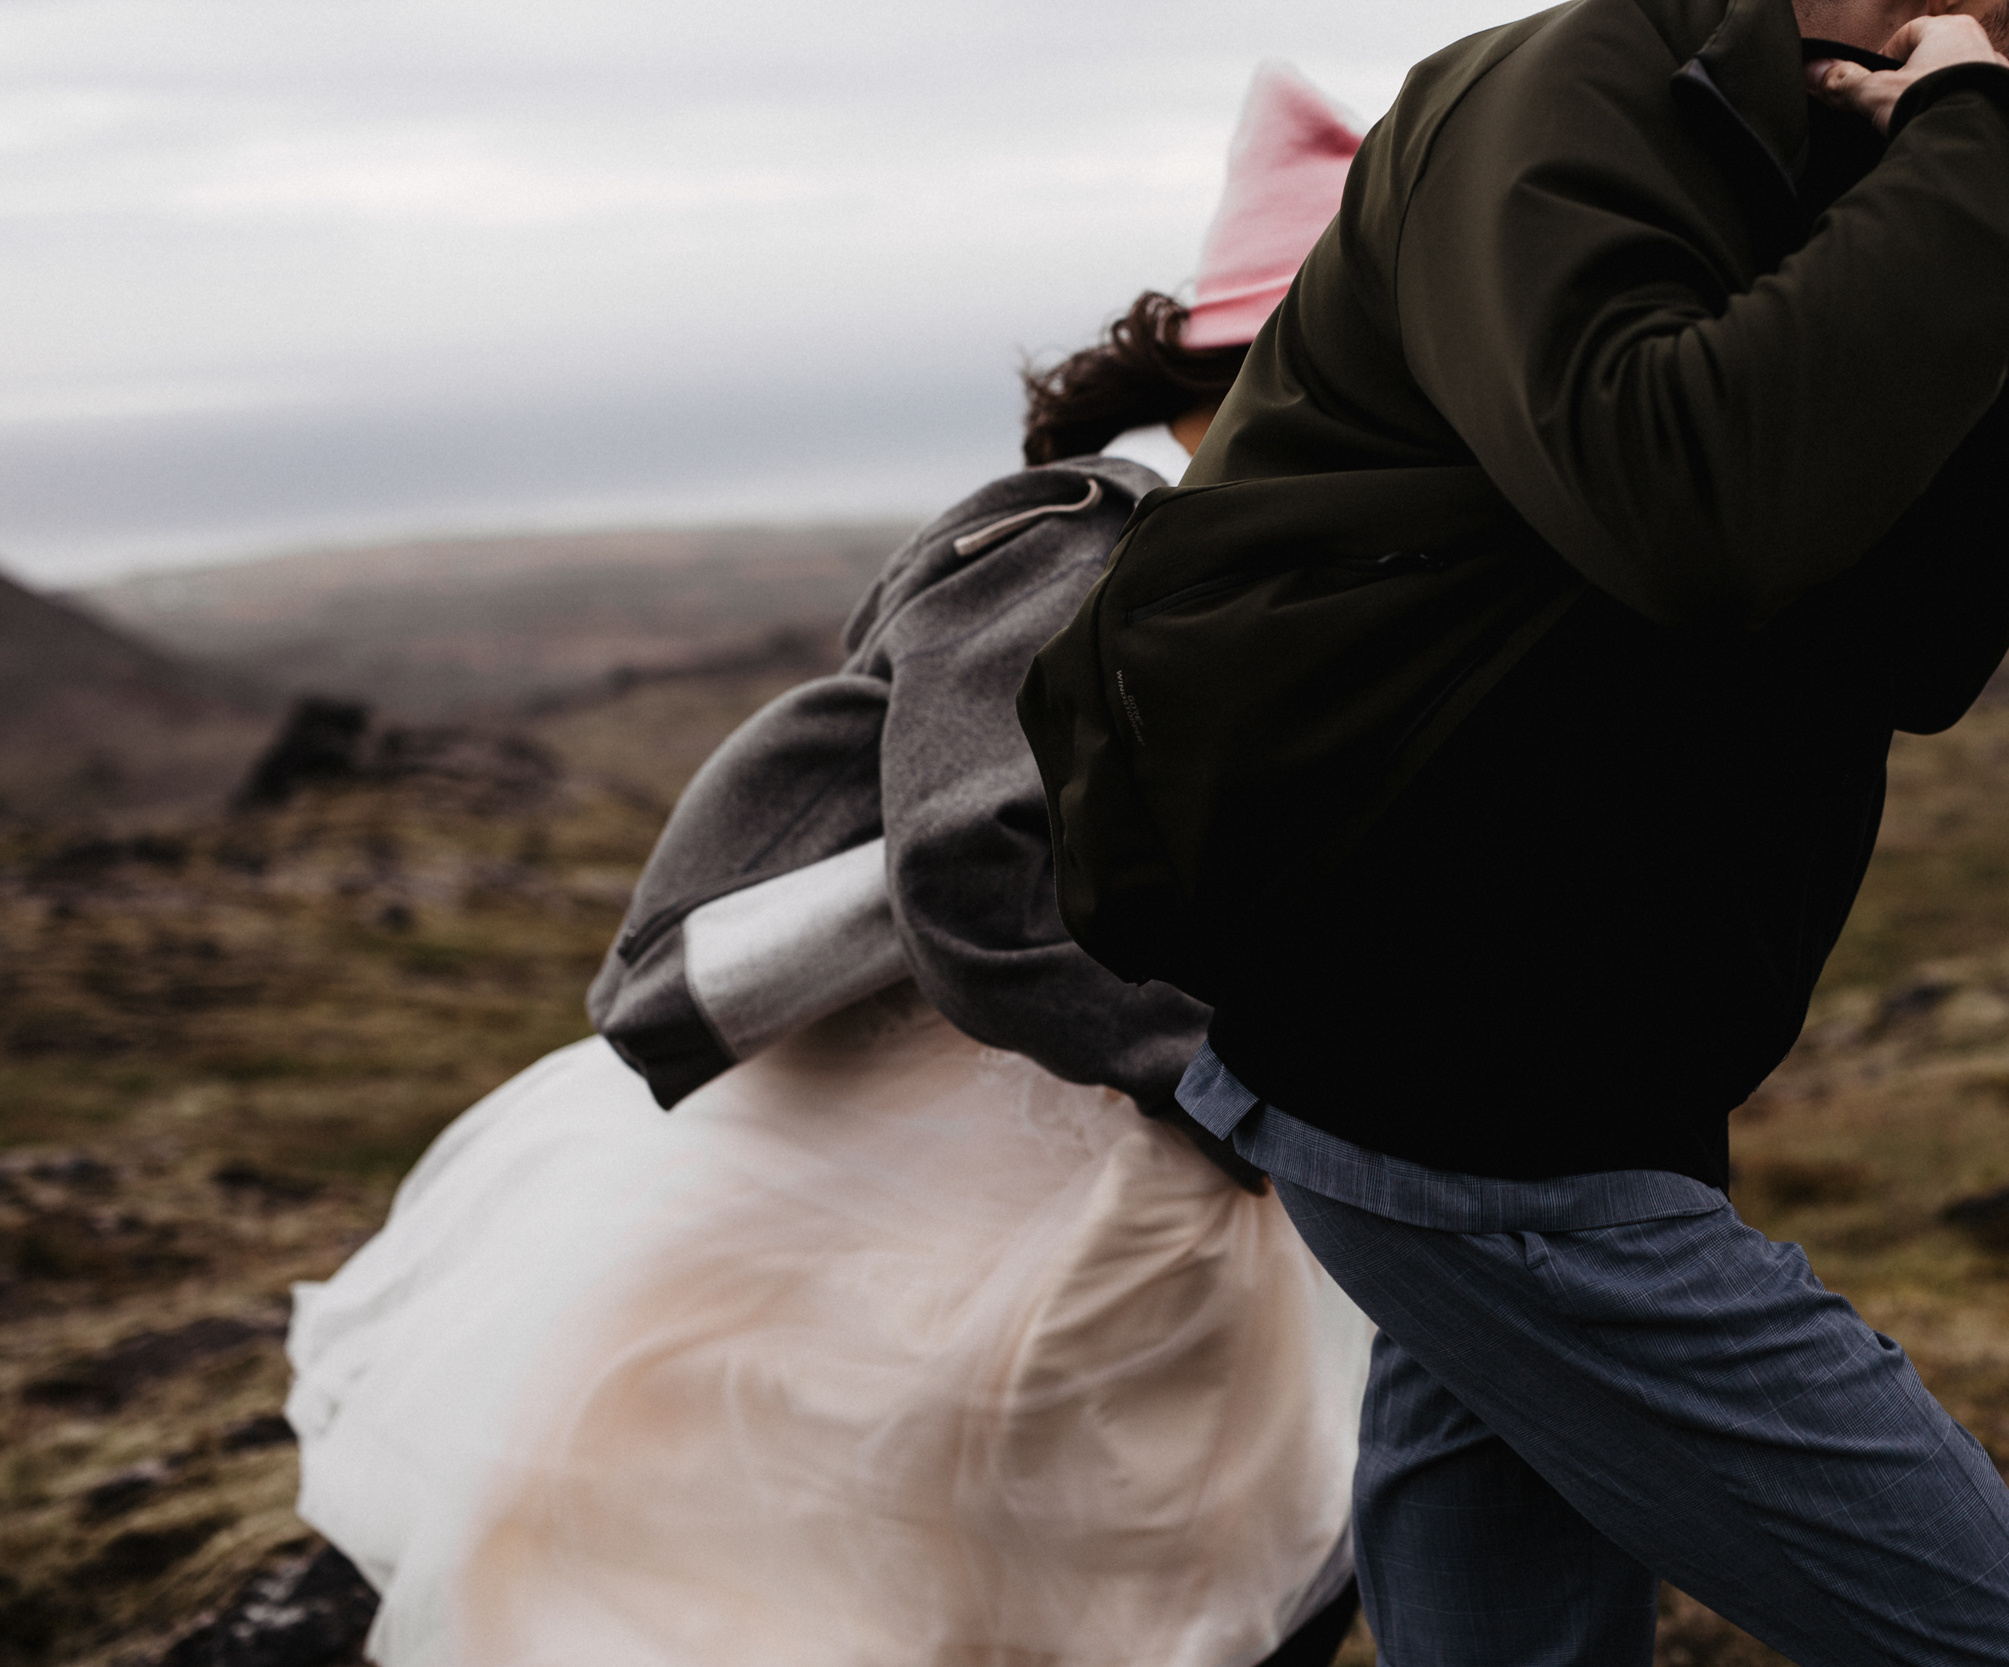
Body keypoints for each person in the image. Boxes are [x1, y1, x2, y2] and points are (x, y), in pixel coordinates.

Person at [1033, 0, 2009, 1662]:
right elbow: (1686, 498)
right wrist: (1967, 161)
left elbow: (1913, 651)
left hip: (1586, 1079)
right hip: (1464, 1092)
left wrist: (1994, 368)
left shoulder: (1841, 174)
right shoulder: (1570, 97)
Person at [283, 65, 1375, 1667]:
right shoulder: (1085, 542)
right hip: (970, 1123)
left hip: (1128, 1123)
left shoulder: (1263, 580)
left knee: (1108, 1526)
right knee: (845, 1525)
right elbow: (973, 875)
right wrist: (1222, 1086)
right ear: (1236, 383)